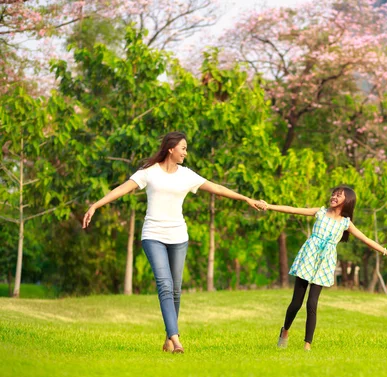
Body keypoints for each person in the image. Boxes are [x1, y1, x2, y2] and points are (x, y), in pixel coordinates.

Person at [82, 131, 266, 354]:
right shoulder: (149, 173)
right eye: (183, 148)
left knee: (176, 289)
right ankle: (177, 340)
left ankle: (169, 339)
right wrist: (95, 205)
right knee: (165, 285)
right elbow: (122, 189)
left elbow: (217, 188)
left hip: (179, 237)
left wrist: (246, 199)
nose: (186, 153)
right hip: (153, 235)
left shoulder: (187, 175)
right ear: (171, 148)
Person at [261, 186, 387, 351]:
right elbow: (292, 210)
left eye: (339, 195)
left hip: (324, 263)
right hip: (308, 257)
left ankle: (307, 345)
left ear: (347, 201)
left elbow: (366, 239)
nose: (334, 196)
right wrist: (269, 206)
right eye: (333, 194)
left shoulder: (345, 223)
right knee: (296, 302)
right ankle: (285, 331)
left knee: (312, 303)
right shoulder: (320, 212)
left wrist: (386, 252)